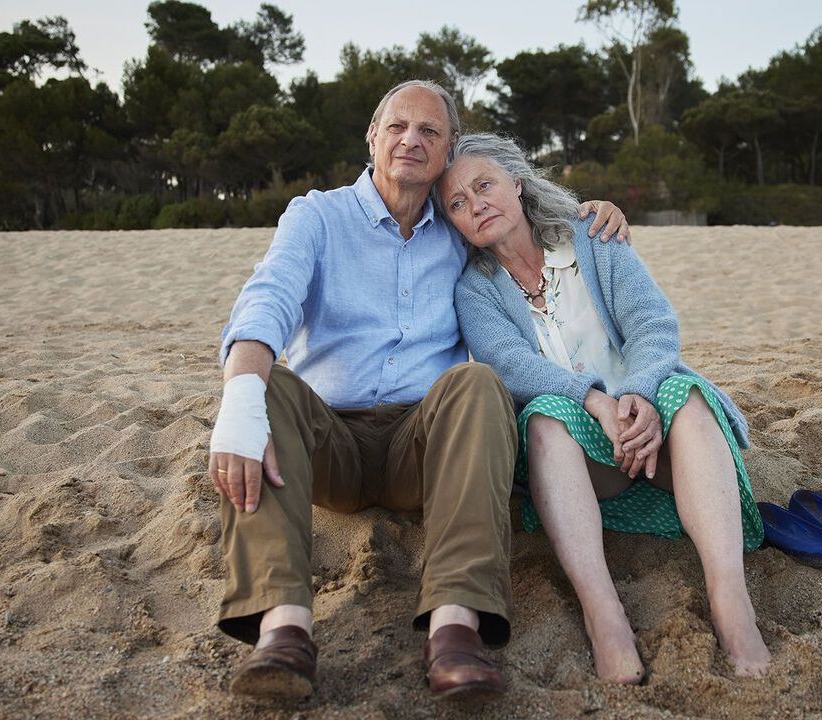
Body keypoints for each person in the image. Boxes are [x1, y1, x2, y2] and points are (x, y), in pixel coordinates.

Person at [208, 81, 629, 701]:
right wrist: (239, 398)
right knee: (262, 385)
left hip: (424, 445)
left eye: (429, 131)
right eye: (398, 127)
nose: (411, 140)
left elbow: (521, 225)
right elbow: (267, 298)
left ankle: (455, 628)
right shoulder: (316, 216)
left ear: (448, 148)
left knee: (477, 382)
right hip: (328, 440)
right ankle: (283, 630)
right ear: (372, 138)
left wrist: (590, 215)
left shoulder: (459, 224)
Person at [444, 133, 771, 681]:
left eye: (484, 185)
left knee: (687, 397)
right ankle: (604, 616)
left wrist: (638, 393)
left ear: (517, 183)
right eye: (457, 202)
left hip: (655, 428)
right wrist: (595, 401)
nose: (475, 205)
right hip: (583, 457)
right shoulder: (474, 291)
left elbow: (652, 323)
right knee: (543, 419)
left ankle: (730, 601)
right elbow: (510, 364)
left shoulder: (594, 236)